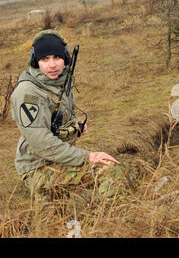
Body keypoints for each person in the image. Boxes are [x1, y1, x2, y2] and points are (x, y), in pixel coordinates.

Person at [10, 29, 140, 204]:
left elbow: (56, 118)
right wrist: (87, 157)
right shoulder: (28, 94)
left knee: (53, 223)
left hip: (56, 159)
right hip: (37, 167)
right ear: (35, 62)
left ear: (65, 58)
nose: (52, 65)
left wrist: (74, 126)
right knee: (107, 169)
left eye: (57, 57)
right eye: (44, 59)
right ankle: (120, 224)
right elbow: (41, 143)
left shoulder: (60, 81)